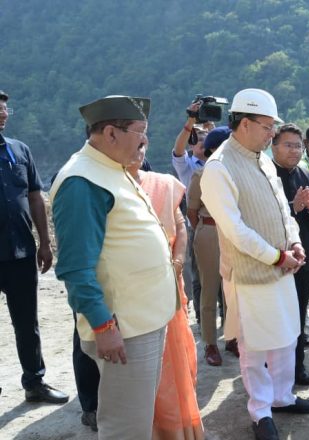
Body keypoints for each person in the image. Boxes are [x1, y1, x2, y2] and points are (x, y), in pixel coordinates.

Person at [51, 95, 178, 438]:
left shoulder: (111, 168)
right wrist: (104, 325)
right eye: (140, 131)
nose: (145, 140)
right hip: (124, 327)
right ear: (110, 133)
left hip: (143, 319)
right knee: (125, 427)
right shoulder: (83, 181)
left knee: (136, 418)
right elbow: (76, 267)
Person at [200, 88, 309, 440]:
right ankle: (260, 411)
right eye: (268, 126)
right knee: (254, 346)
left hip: (282, 266)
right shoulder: (219, 168)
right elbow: (235, 230)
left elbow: (283, 210)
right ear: (244, 123)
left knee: (285, 337)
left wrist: (296, 242)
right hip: (253, 273)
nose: (273, 134)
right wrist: (277, 256)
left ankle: (283, 397)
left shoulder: (261, 158)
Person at [129, 145, 204, 440]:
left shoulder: (161, 184)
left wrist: (175, 264)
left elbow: (181, 224)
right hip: (131, 293)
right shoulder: (103, 186)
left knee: (176, 357)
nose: (138, 150)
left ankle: (179, 428)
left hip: (168, 286)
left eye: (143, 144)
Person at [0, 90, 69, 405]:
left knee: (27, 322)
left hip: (21, 253)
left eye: (4, 108)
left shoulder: (19, 150)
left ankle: (34, 382)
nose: (3, 113)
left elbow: (35, 196)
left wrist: (44, 241)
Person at [271, 123, 309, 386]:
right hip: (272, 259)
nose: (294, 151)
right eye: (288, 145)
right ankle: (271, 372)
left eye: (298, 145)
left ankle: (297, 369)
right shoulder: (264, 177)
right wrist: (292, 208)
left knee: (298, 315)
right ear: (273, 146)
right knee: (273, 318)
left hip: (303, 258)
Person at [187, 126, 235, 366]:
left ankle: (232, 337)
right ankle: (210, 343)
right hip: (210, 231)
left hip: (233, 233)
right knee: (209, 289)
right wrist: (205, 230)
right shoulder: (200, 175)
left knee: (231, 288)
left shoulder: (236, 173)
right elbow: (192, 211)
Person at [171, 101, 212, 325]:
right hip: (196, 224)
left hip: (222, 222)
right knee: (199, 276)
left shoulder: (220, 161)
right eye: (200, 139)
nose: (204, 143)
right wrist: (190, 122)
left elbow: (225, 145)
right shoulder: (186, 165)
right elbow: (178, 149)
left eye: (208, 139)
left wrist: (210, 127)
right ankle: (202, 316)